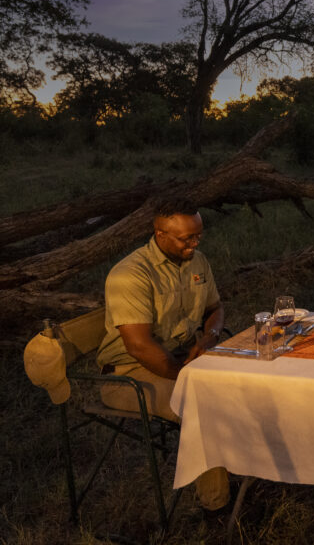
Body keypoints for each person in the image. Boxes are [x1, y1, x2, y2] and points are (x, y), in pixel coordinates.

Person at [95, 197, 230, 515]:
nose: (195, 243)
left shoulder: (197, 261)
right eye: (187, 238)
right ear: (160, 235)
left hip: (181, 357)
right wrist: (187, 375)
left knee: (248, 383)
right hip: (127, 374)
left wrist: (210, 337)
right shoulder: (131, 274)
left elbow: (215, 309)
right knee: (203, 406)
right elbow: (139, 347)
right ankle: (216, 507)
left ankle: (248, 466)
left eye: (199, 235)